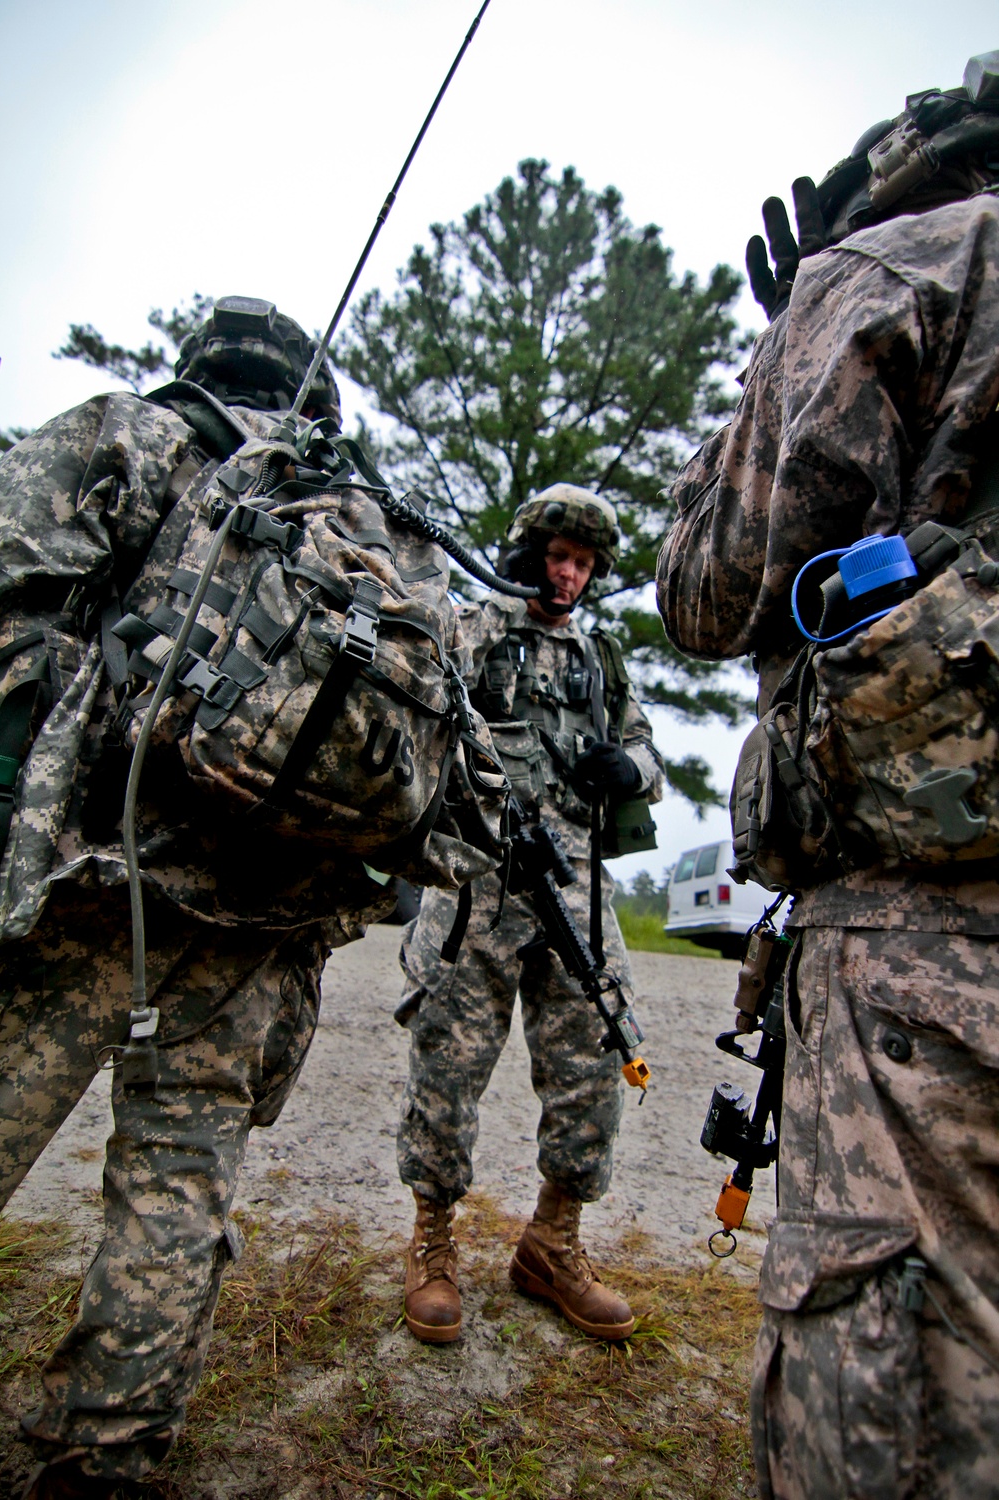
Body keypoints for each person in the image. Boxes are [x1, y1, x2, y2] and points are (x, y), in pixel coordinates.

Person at [0, 297, 411, 1500]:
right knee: (176, 1188)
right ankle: (105, 1452)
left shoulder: (123, 433)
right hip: (265, 920)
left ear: (202, 364)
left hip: (96, 878)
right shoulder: (367, 527)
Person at [657, 54, 999, 1500]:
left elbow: (707, 590)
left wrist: (795, 339)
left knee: (898, 1406)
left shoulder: (903, 265)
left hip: (930, 947)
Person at [395, 484, 664, 1345]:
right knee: (449, 1065)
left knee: (596, 1059)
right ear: (528, 553)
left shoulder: (601, 662)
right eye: (559, 556)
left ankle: (552, 1241)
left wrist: (628, 769)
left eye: (585, 563)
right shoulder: (475, 631)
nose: (571, 575)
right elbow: (414, 693)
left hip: (577, 896)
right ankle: (432, 1243)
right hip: (477, 884)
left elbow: (647, 750)